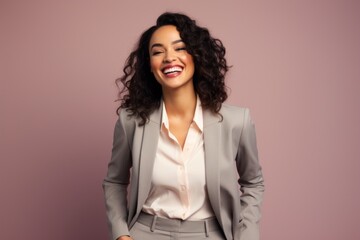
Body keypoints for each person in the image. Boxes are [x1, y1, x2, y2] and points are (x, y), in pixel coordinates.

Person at [103, 12, 264, 240]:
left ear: (196, 56)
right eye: (158, 52)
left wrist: (247, 236)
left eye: (180, 48)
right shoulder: (131, 121)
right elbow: (115, 181)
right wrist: (121, 235)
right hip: (145, 233)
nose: (169, 58)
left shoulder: (236, 121)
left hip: (211, 234)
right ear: (150, 65)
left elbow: (253, 183)